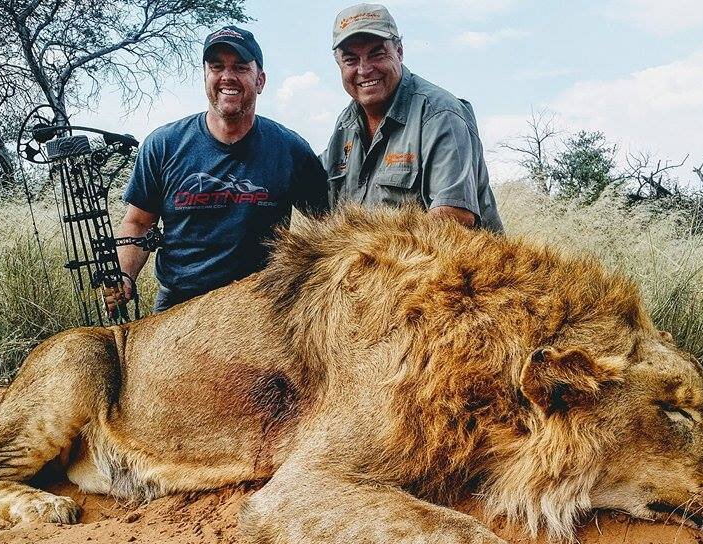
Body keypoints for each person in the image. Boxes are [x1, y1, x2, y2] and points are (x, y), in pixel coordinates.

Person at [110, 26, 329, 314]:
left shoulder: (291, 149)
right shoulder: (163, 145)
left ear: (259, 80)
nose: (227, 76)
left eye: (240, 67)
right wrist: (124, 276)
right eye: (217, 67)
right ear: (205, 76)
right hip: (179, 306)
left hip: (260, 306)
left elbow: (326, 225)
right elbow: (138, 223)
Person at [322, 3, 503, 233]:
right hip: (370, 265)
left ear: (399, 52)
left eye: (376, 54)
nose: (364, 69)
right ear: (339, 64)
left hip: (448, 265)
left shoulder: (440, 114)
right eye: (351, 60)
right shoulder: (345, 124)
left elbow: (453, 222)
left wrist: (366, 255)